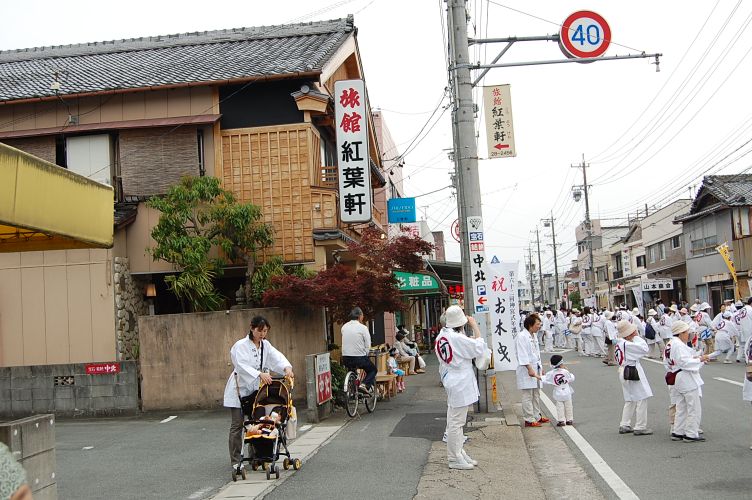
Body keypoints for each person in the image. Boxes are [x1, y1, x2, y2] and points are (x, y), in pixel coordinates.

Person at [223, 315, 294, 476]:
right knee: (237, 425)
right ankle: (236, 461)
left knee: (256, 422)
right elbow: (240, 365)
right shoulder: (240, 346)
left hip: (256, 391)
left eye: (265, 331)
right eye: (260, 331)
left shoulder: (265, 345)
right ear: (252, 328)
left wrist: (286, 368)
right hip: (239, 390)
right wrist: (259, 374)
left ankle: (256, 455)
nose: (262, 334)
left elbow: (276, 357)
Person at [435, 305, 488, 470]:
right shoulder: (457, 338)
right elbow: (479, 347)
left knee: (455, 421)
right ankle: (454, 457)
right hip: (460, 381)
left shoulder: (442, 336)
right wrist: (475, 326)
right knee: (456, 422)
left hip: (451, 378)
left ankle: (458, 452)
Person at [666, 320, 709, 442]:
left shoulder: (670, 344)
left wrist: (696, 359)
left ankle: (678, 431)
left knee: (681, 406)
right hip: (685, 376)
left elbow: (674, 361)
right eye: (686, 332)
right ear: (680, 333)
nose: (688, 334)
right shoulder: (678, 345)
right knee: (693, 406)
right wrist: (699, 359)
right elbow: (685, 362)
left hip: (676, 375)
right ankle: (691, 433)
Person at [614, 319, 653, 435]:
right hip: (631, 370)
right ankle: (640, 426)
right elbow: (644, 349)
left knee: (630, 398)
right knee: (642, 397)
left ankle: (624, 423)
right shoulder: (627, 344)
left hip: (623, 370)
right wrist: (635, 336)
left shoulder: (620, 342)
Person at [516, 313, 549, 427]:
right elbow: (523, 354)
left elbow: (536, 353)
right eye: (538, 324)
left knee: (536, 394)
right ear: (530, 325)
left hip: (536, 367)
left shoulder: (533, 335)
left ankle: (537, 416)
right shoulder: (522, 336)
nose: (539, 327)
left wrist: (541, 368)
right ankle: (529, 419)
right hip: (527, 369)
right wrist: (529, 368)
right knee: (528, 395)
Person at [341, 307, 377, 393]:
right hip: (359, 358)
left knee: (352, 371)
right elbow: (368, 345)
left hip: (345, 358)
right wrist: (366, 353)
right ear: (360, 316)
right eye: (362, 315)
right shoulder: (363, 328)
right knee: (373, 370)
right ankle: (364, 384)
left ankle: (353, 391)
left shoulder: (344, 326)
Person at [542, 354, 575, 426]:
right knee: (568, 406)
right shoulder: (565, 371)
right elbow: (572, 378)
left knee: (559, 407)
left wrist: (538, 376)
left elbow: (544, 380)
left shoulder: (551, 373)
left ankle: (561, 420)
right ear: (561, 364)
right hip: (567, 391)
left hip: (558, 392)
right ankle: (569, 419)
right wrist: (568, 371)